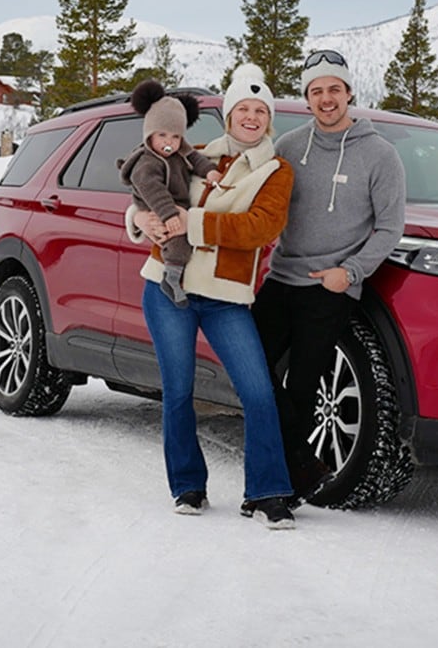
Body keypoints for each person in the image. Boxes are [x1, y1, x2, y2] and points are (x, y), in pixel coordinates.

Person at [128, 63, 298, 529]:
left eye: (259, 110)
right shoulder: (193, 154)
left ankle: (266, 493)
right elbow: (148, 189)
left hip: (225, 297)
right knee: (178, 392)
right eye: (242, 108)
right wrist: (138, 220)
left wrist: (192, 224)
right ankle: (187, 485)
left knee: (259, 392)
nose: (251, 117)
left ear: (269, 118)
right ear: (228, 114)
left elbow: (260, 228)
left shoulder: (276, 171)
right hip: (167, 285)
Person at [252, 49, 407, 503]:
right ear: (306, 97)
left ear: (349, 93)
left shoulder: (380, 155)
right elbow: (255, 198)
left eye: (333, 89)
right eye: (316, 91)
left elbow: (390, 226)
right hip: (281, 279)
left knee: (302, 387)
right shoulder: (289, 147)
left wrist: (351, 272)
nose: (326, 98)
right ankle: (301, 465)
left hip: (330, 287)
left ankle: (278, 488)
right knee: (249, 371)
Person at [118, 81, 221, 307]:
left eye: (175, 137)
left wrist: (211, 171)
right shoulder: (146, 162)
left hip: (175, 207)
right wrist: (168, 214)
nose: (169, 142)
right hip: (159, 208)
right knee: (177, 243)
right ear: (149, 135)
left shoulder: (179, 152)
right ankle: (171, 278)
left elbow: (196, 158)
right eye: (162, 135)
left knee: (180, 240)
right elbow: (152, 189)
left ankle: (174, 276)